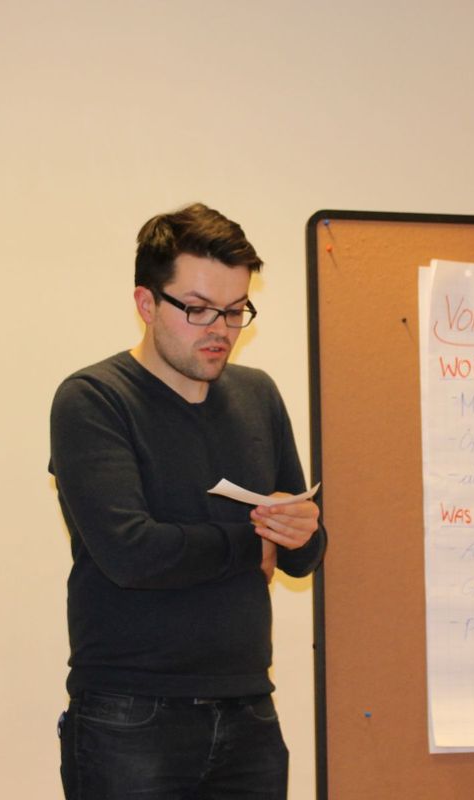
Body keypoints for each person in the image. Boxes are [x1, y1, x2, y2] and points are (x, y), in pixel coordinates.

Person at [50, 202, 327, 799]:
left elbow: (300, 554)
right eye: (198, 309)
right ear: (146, 303)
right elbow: (132, 553)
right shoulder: (93, 399)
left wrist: (303, 531)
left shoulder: (258, 394)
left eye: (235, 310)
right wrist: (251, 543)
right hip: (131, 713)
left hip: (249, 706)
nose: (220, 329)